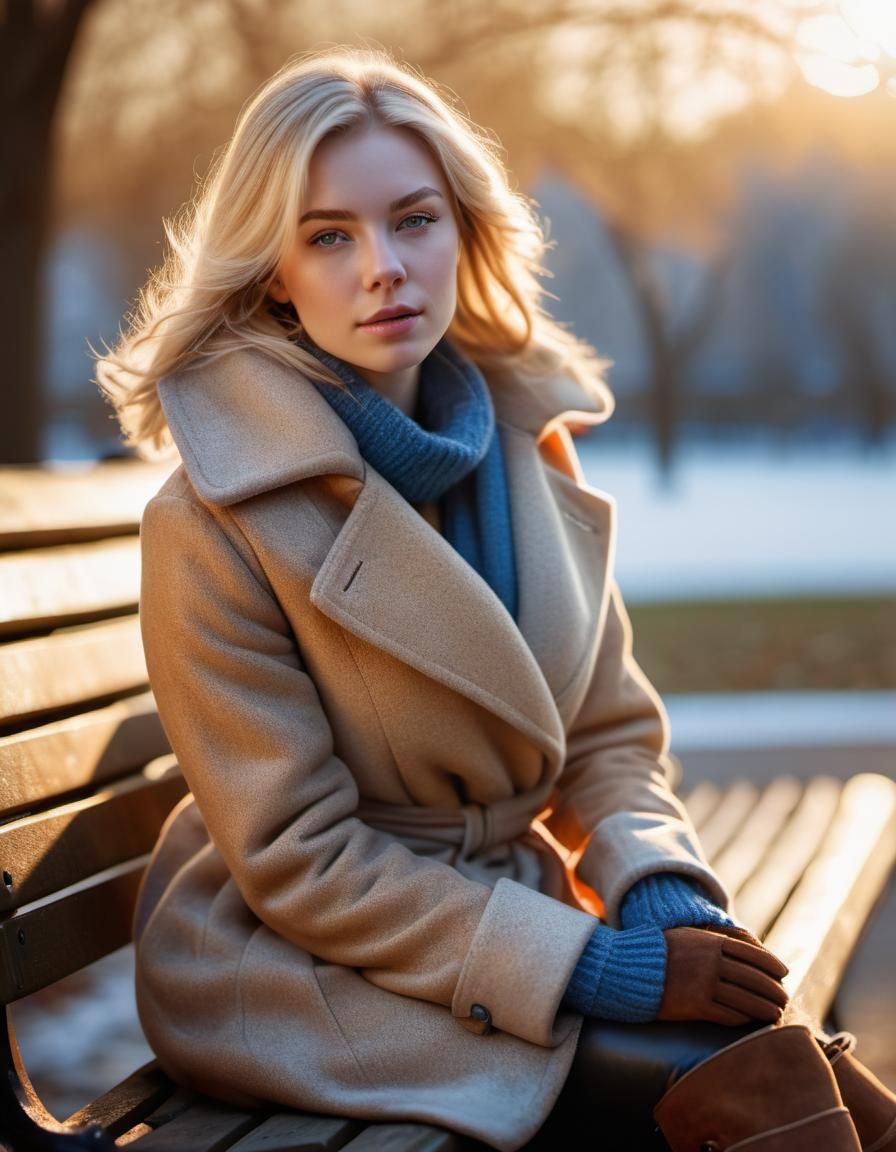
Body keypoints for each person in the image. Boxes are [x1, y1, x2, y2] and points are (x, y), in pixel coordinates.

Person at [96, 45, 896, 1152]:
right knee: (749, 1083)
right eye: (328, 236)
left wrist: (655, 889)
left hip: (495, 916)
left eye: (413, 220)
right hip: (295, 963)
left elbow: (607, 736)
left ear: (462, 229)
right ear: (272, 270)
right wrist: (598, 965)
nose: (384, 267)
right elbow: (297, 858)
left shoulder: (526, 448)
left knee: (805, 1065)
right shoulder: (214, 518)